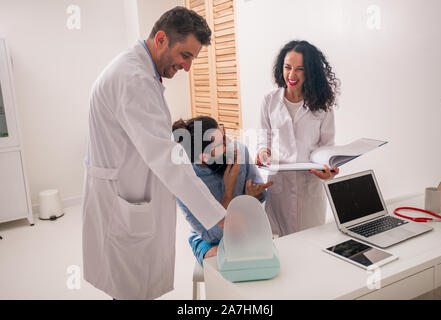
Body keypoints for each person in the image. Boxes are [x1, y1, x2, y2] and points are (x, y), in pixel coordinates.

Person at [82, 7, 229, 300]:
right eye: (185, 55)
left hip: (128, 196)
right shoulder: (133, 79)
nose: (188, 67)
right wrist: (219, 217)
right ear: (161, 38)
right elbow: (167, 158)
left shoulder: (139, 71)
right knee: (131, 290)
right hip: (123, 204)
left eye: (192, 59)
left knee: (133, 287)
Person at [256, 40, 340, 237]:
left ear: (310, 72)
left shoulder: (322, 105)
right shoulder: (269, 101)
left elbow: (328, 146)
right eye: (287, 67)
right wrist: (262, 151)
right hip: (279, 187)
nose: (291, 75)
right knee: (281, 246)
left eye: (299, 69)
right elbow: (263, 136)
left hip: (309, 185)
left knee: (310, 244)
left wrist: (329, 170)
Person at [172, 116, 272, 266]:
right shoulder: (185, 181)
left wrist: (254, 195)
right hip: (209, 240)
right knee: (224, 258)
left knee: (256, 253)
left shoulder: (239, 151)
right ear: (204, 156)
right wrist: (229, 191)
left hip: (245, 227)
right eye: (220, 144)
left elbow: (260, 196)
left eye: (223, 135)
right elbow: (213, 235)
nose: (229, 143)